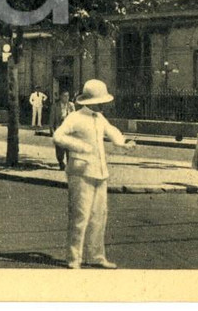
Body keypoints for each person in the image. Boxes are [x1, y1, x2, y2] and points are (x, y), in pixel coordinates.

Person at [52, 79, 136, 270]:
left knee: (99, 216)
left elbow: (112, 131)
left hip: (100, 172)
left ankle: (96, 256)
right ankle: (74, 258)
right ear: (92, 101)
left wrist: (124, 143)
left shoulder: (99, 117)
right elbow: (58, 136)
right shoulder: (75, 117)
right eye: (101, 100)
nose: (104, 104)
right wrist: (81, 147)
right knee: (80, 216)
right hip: (81, 172)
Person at [50, 90, 77, 170]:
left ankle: (69, 165)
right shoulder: (55, 106)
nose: (66, 98)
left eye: (68, 96)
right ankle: (61, 162)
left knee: (69, 149)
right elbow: (51, 120)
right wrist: (52, 130)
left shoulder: (71, 105)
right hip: (59, 129)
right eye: (64, 96)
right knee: (60, 149)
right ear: (61, 97)